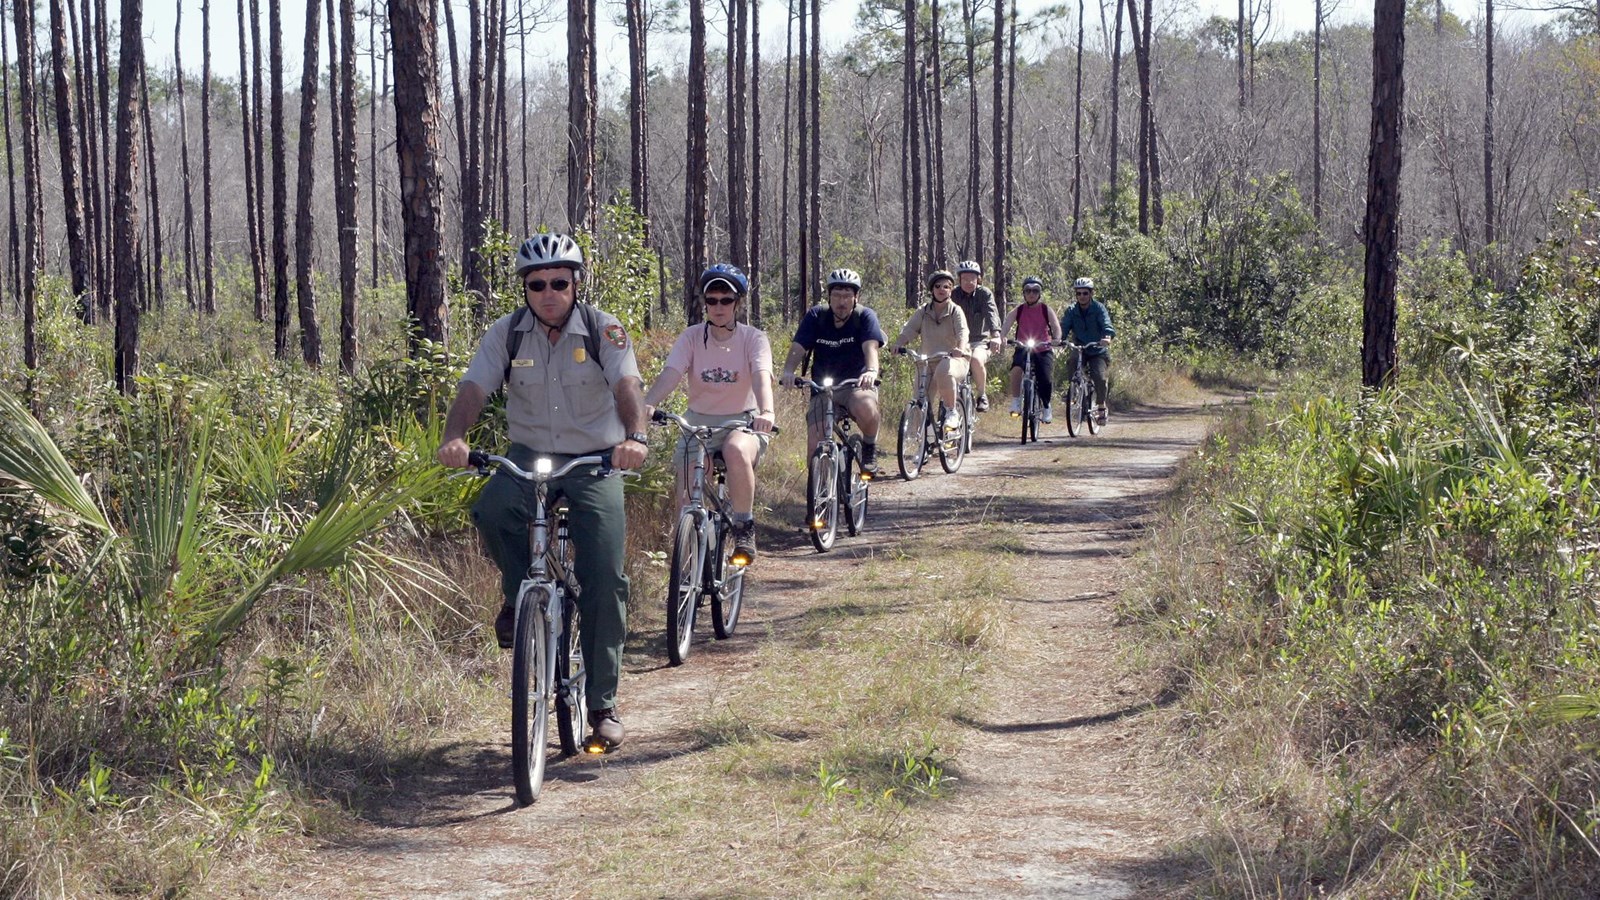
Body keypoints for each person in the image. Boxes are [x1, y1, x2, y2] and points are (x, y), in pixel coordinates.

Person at [436, 232, 648, 751]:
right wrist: (454, 436)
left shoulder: (604, 330)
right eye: (537, 284)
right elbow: (474, 387)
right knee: (491, 510)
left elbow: (628, 387)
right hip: (529, 455)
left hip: (594, 459)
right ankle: (518, 596)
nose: (548, 292)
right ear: (525, 289)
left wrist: (635, 438)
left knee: (603, 570)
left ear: (576, 283)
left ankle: (602, 703)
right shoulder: (507, 333)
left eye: (559, 282)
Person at [643, 263, 776, 563]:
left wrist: (766, 411)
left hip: (742, 421)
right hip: (697, 424)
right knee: (686, 499)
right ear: (705, 303)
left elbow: (761, 375)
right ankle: (688, 567)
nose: (718, 307)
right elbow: (671, 373)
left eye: (726, 300)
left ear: (737, 303)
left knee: (735, 450)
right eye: (712, 300)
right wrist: (647, 403)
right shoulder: (691, 337)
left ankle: (744, 526)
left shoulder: (754, 338)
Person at [778, 267, 887, 474]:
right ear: (829, 296)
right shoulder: (817, 316)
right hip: (822, 388)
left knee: (867, 408)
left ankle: (869, 447)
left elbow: (870, 347)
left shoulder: (864, 316)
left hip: (856, 385)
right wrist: (788, 372)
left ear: (856, 297)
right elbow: (798, 347)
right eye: (836, 295)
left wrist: (871, 371)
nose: (841, 301)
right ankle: (822, 494)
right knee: (813, 449)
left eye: (847, 296)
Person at [892, 270, 970, 432]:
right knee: (920, 398)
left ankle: (951, 412)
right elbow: (910, 329)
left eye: (947, 287)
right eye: (938, 286)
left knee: (943, 371)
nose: (942, 289)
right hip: (927, 362)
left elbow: (963, 333)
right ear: (932, 289)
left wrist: (960, 349)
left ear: (951, 290)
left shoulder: (956, 310)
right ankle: (922, 439)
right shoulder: (924, 310)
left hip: (954, 360)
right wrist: (898, 343)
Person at [1001, 276, 1064, 423]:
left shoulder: (1045, 309)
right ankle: (1016, 401)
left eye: (1035, 291)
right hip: (1023, 347)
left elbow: (1055, 326)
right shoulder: (1019, 310)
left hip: (1043, 348)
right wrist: (1002, 337)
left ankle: (1047, 407)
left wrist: (1057, 339)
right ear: (1023, 293)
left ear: (1039, 293)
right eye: (1028, 290)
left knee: (1045, 378)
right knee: (1016, 369)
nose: (1031, 294)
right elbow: (1007, 324)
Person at [1061, 276, 1115, 424]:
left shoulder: (1098, 308)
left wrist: (1107, 337)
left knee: (1099, 377)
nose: (1082, 296)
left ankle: (1101, 407)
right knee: (1072, 361)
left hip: (1097, 349)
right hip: (1080, 348)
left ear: (1091, 293)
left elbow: (1106, 324)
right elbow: (1064, 326)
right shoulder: (1072, 310)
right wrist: (1059, 339)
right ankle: (1075, 391)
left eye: (1085, 293)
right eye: (1078, 293)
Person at [951, 260, 1002, 412]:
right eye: (965, 279)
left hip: (980, 341)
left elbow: (992, 314)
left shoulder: (984, 294)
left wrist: (996, 335)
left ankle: (982, 395)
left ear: (978, 279)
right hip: (958, 342)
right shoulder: (952, 294)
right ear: (959, 280)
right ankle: (947, 406)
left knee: (976, 360)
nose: (968, 282)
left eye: (972, 279)